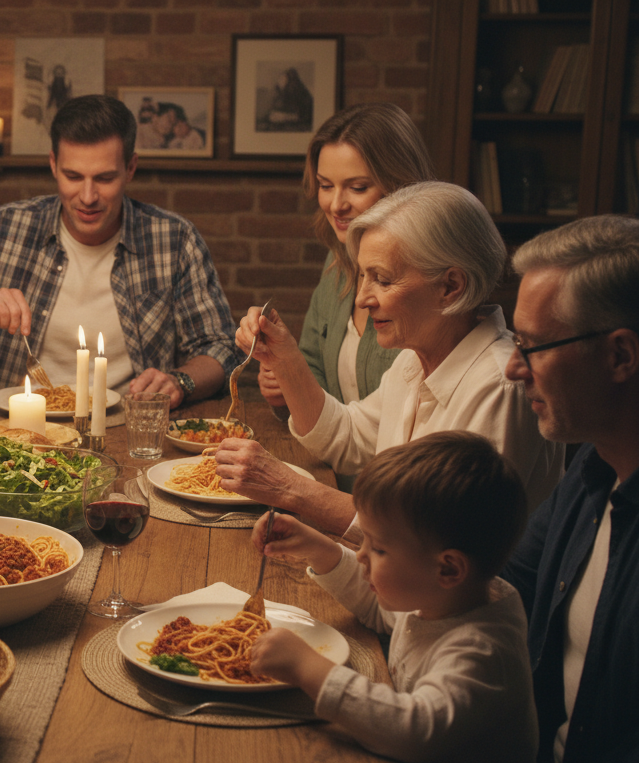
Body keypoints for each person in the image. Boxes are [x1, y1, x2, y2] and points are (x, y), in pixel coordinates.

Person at [218, 181, 563, 534]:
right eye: (362, 277)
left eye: (382, 280)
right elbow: (346, 437)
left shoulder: (499, 385)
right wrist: (285, 359)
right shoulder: (414, 359)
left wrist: (290, 488)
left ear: (450, 287)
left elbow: (434, 538)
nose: (364, 298)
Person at [0, 94, 241, 406]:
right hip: (13, 430)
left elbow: (221, 349)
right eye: (73, 176)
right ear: (53, 164)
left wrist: (179, 382)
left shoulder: (174, 239)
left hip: (126, 428)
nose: (88, 196)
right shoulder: (5, 228)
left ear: (131, 168)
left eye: (105, 178)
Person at [249, 432, 536, 763]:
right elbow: (379, 607)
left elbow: (412, 731)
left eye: (379, 548)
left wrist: (308, 667)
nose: (361, 556)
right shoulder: (441, 597)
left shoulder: (481, 653)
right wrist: (320, 550)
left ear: (448, 568)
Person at [499, 215, 639, 763]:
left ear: (620, 356)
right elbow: (495, 591)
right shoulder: (590, 471)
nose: (513, 368)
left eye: (532, 345)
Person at [262, 103, 438, 490]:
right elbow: (313, 372)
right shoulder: (338, 260)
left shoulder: (428, 283)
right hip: (335, 479)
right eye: (326, 185)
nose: (336, 204)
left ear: (401, 185)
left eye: (357, 187)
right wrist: (282, 378)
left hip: (402, 502)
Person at [260, 67, 313, 132]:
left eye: (282, 79)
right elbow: (272, 111)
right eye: (280, 78)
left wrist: (285, 117)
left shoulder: (301, 94)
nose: (279, 81)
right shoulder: (279, 93)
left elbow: (305, 116)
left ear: (290, 81)